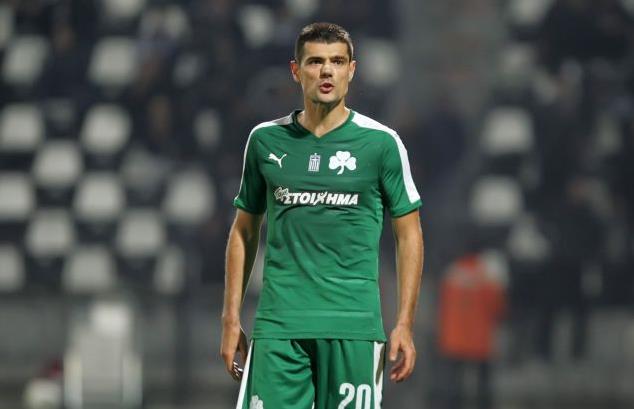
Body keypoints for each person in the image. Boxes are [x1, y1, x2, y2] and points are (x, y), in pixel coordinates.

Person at [220, 22, 424, 409]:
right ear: (296, 71)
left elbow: (409, 235)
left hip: (354, 327)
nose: (327, 71)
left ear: (352, 70)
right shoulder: (264, 140)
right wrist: (231, 318)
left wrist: (404, 323)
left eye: (337, 61)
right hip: (280, 327)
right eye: (315, 61)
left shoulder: (381, 144)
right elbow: (244, 232)